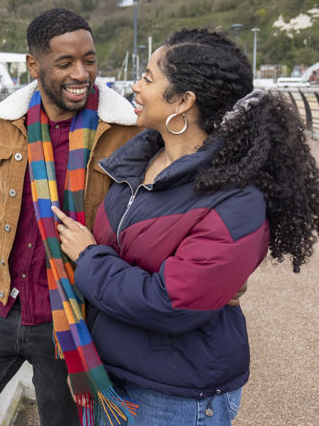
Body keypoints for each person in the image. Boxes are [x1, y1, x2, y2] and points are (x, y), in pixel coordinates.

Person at [56, 28, 319, 425]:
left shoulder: (236, 199)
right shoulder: (137, 162)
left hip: (176, 395)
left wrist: (89, 258)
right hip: (112, 376)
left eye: (147, 77)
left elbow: (169, 304)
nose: (135, 86)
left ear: (182, 101)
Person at [0, 8, 140, 426]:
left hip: (70, 316)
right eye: (65, 63)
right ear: (34, 65)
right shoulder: (2, 120)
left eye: (89, 59)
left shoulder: (126, 128)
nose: (81, 73)